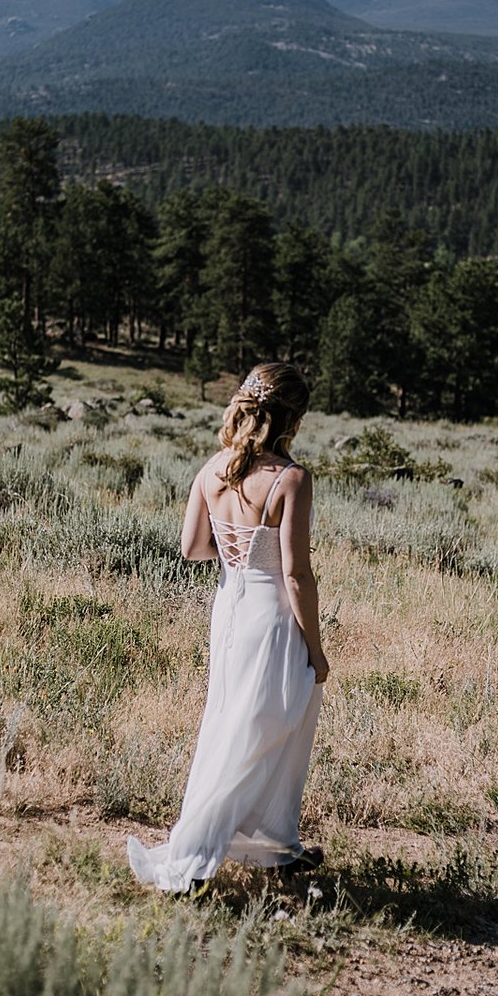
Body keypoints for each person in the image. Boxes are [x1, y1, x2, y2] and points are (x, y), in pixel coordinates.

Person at [127, 361, 328, 897]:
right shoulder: (292, 479)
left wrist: (239, 545)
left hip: (229, 610)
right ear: (290, 418)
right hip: (272, 617)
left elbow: (193, 547)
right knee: (268, 727)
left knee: (231, 724)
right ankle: (196, 854)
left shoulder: (213, 469)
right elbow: (296, 573)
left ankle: (275, 845)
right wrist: (317, 647)